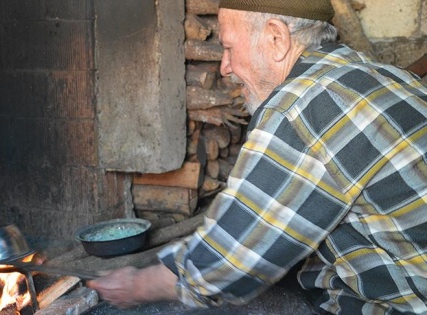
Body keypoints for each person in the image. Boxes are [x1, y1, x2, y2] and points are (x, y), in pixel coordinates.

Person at [87, 0, 427, 314]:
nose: (224, 67)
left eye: (229, 48)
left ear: (276, 39)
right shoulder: (370, 71)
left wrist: (136, 284)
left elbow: (228, 264)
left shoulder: (300, 108)